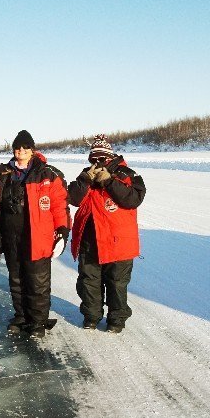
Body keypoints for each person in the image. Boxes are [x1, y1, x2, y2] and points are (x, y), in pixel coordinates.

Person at [0, 130, 69, 338]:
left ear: (32, 150)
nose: (21, 151)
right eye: (17, 147)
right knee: (16, 280)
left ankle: (37, 321)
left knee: (37, 281)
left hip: (38, 236)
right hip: (11, 236)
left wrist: (62, 232)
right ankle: (21, 316)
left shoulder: (48, 174)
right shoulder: (3, 175)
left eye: (25, 147)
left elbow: (60, 206)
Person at [68, 134, 146, 333]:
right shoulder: (86, 175)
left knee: (117, 283)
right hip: (89, 239)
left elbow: (133, 199)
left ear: (110, 157)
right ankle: (91, 316)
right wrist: (86, 180)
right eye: (93, 159)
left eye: (101, 159)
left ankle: (117, 319)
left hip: (117, 241)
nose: (97, 163)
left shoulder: (127, 174)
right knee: (89, 281)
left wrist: (109, 181)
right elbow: (73, 198)